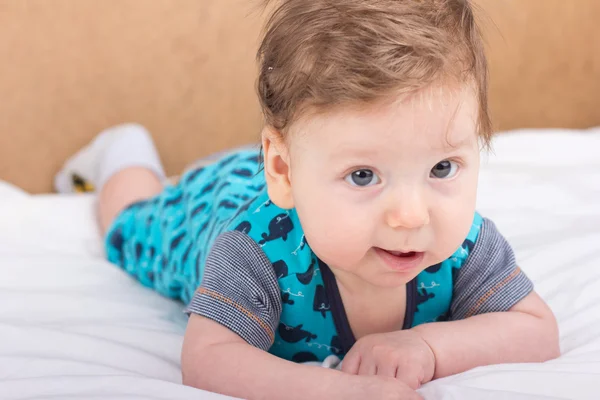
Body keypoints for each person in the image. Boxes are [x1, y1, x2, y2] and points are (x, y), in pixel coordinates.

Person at [55, 1, 560, 398]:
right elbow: (208, 357)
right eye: (364, 175)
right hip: (215, 207)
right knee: (128, 224)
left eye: (442, 168)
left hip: (290, 168)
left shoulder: (466, 244)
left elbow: (536, 331)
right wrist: (332, 391)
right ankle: (122, 150)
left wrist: (428, 346)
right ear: (283, 171)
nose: (411, 215)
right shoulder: (251, 255)